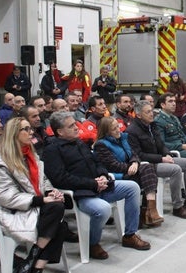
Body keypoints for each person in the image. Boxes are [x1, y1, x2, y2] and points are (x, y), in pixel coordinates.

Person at [44, 111, 151, 260]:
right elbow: (60, 179)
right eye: (71, 126)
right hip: (80, 194)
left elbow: (97, 162)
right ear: (60, 132)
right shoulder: (52, 150)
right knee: (103, 209)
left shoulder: (79, 143)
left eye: (75, 124)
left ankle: (130, 235)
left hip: (99, 186)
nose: (76, 127)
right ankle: (92, 243)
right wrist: (93, 183)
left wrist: (102, 176)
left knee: (132, 187)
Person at [0, 117, 68, 273]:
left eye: (31, 129)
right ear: (14, 133)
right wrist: (41, 199)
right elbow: (6, 197)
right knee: (59, 220)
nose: (31, 132)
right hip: (9, 211)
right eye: (26, 129)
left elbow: (42, 180)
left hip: (29, 206)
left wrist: (51, 192)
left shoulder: (29, 153)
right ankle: (35, 262)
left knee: (57, 212)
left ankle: (34, 264)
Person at [127, 100, 186, 219]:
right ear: (138, 115)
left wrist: (167, 154)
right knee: (175, 170)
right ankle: (177, 206)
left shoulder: (152, 125)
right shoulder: (132, 131)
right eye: (147, 112)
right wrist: (161, 158)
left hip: (161, 158)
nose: (151, 114)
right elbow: (138, 154)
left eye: (152, 111)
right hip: (149, 164)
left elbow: (161, 144)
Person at [93, 117, 163, 228]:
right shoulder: (101, 145)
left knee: (148, 170)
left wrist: (135, 163)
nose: (118, 130)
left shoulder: (123, 139)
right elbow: (112, 165)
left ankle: (148, 211)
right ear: (106, 132)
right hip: (116, 176)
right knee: (149, 172)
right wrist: (129, 168)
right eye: (114, 128)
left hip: (130, 171)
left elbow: (134, 154)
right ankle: (149, 211)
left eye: (118, 126)